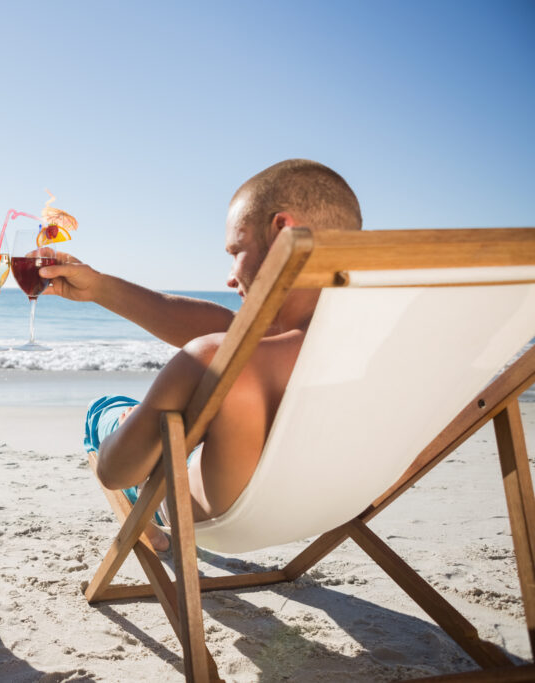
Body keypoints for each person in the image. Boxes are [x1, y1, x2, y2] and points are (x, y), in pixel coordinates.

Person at [41, 159, 362, 551]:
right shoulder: (383, 347)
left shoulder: (212, 358)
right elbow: (232, 325)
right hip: (337, 504)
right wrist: (100, 288)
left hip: (221, 516)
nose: (229, 277)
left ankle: (142, 490)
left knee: (107, 410)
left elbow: (115, 473)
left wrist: (136, 425)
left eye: (236, 250)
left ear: (282, 232)